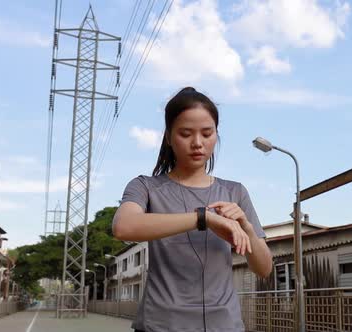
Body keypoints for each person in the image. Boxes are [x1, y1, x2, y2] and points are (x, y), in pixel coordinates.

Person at [112, 87, 273, 332]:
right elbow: (124, 227)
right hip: (160, 325)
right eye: (186, 133)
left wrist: (248, 229)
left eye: (207, 133)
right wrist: (203, 219)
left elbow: (264, 269)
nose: (198, 143)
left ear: (216, 135)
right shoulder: (146, 187)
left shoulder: (235, 192)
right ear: (168, 137)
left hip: (225, 325)